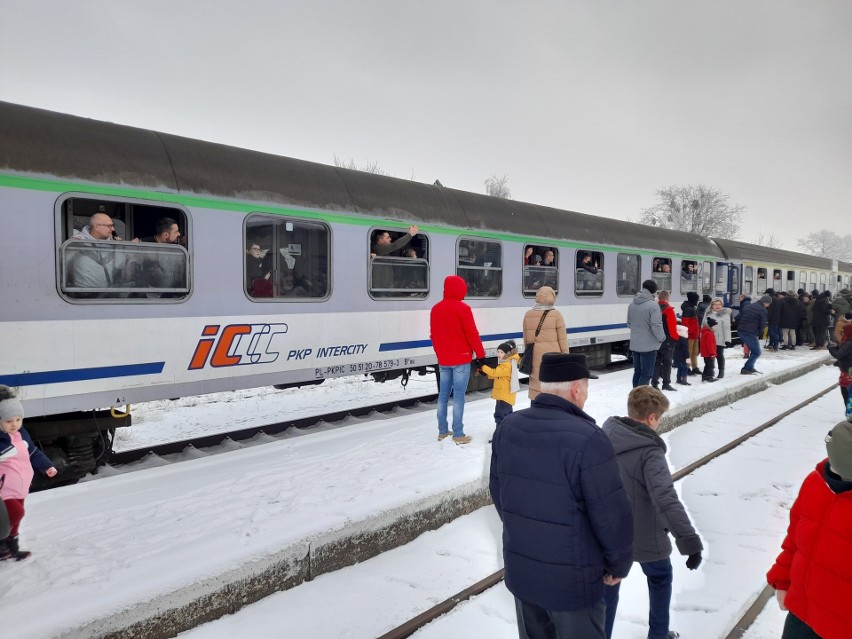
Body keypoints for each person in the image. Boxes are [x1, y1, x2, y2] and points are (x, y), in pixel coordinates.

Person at [490, 353, 633, 639]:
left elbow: (498, 493)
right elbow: (610, 514)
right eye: (586, 388)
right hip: (573, 584)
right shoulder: (589, 438)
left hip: (523, 574)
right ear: (576, 389)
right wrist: (618, 564)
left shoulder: (508, 427)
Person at [602, 386, 703, 639]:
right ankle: (658, 635)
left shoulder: (604, 436)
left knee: (609, 585)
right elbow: (665, 498)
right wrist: (689, 541)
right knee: (659, 578)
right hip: (646, 535)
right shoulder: (650, 451)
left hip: (608, 533)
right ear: (651, 418)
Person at [767, 419, 852, 639]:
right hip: (803, 613)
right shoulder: (816, 482)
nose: (833, 475)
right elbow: (796, 538)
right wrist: (783, 579)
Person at [0, 386, 58, 561]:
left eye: (18, 419)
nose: (15, 424)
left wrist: (47, 466)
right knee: (16, 513)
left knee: (16, 519)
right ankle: (2, 543)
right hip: (5, 488)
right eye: (9, 421)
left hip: (21, 486)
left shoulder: (21, 435)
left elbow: (34, 453)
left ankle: (12, 549)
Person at [429, 275, 485, 444]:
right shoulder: (463, 308)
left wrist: (440, 353)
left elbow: (434, 335)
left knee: (443, 396)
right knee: (459, 396)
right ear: (460, 289)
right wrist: (480, 355)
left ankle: (442, 431)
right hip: (461, 359)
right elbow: (472, 334)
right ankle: (458, 434)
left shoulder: (436, 309)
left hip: (444, 360)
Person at [523, 286, 569, 400]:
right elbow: (563, 340)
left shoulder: (528, 314)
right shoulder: (556, 315)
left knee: (536, 384)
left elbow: (526, 341)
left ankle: (536, 407)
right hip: (554, 358)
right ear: (552, 297)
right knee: (552, 386)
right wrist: (566, 358)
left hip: (534, 356)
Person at [68, 211, 125, 290]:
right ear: (97, 227)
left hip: (106, 294)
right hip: (82, 294)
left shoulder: (112, 243)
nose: (113, 229)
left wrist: (118, 248)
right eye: (109, 226)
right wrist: (71, 246)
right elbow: (63, 264)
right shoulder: (78, 240)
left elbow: (119, 266)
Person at [627, 279, 665, 388]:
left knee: (637, 372)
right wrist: (662, 338)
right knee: (646, 374)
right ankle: (641, 401)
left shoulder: (632, 304)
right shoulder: (653, 305)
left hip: (635, 345)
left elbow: (629, 323)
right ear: (653, 291)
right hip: (649, 346)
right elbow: (656, 325)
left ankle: (634, 397)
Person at [478, 341, 520, 428]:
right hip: (504, 394)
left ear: (508, 353)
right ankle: (506, 433)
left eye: (501, 352)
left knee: (500, 416)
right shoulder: (508, 362)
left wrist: (483, 367)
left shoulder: (507, 364)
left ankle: (501, 434)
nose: (499, 354)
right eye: (498, 351)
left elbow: (495, 373)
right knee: (506, 415)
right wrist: (485, 374)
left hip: (504, 395)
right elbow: (500, 376)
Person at [652, 290, 678, 392]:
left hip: (656, 340)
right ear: (667, 298)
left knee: (656, 363)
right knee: (667, 363)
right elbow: (672, 328)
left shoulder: (653, 309)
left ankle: (654, 384)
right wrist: (675, 338)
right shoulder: (669, 310)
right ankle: (666, 384)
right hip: (667, 341)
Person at [739, 295, 771, 374]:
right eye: (768, 304)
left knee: (754, 351)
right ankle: (746, 368)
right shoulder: (763, 310)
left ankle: (750, 367)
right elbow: (763, 324)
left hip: (742, 330)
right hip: (750, 332)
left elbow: (739, 317)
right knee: (757, 352)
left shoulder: (749, 306)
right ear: (765, 303)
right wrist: (759, 333)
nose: (768, 306)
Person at [705, 298, 732, 379]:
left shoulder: (725, 314)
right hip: (709, 339)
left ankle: (721, 371)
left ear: (722, 305)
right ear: (712, 305)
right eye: (715, 304)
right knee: (710, 356)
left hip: (720, 339)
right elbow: (703, 325)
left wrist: (727, 340)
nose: (717, 306)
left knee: (719, 355)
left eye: (719, 304)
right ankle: (710, 371)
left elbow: (727, 328)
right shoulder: (708, 314)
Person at [828, 323, 852, 409]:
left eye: (844, 332)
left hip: (848, 372)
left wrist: (831, 348)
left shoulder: (849, 343)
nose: (842, 333)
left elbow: (838, 354)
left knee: (847, 395)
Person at [681, 292, 701, 375]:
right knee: (689, 352)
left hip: (694, 335)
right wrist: (691, 332)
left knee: (694, 352)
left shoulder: (691, 307)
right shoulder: (689, 309)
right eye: (696, 299)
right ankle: (688, 367)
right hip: (690, 335)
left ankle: (694, 366)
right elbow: (685, 323)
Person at [700, 317, 718, 382]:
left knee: (707, 365)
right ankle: (709, 377)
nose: (716, 328)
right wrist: (712, 353)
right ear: (711, 326)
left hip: (706, 353)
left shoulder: (705, 332)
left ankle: (704, 376)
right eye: (715, 326)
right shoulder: (709, 334)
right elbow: (710, 345)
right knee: (710, 366)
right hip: (709, 353)